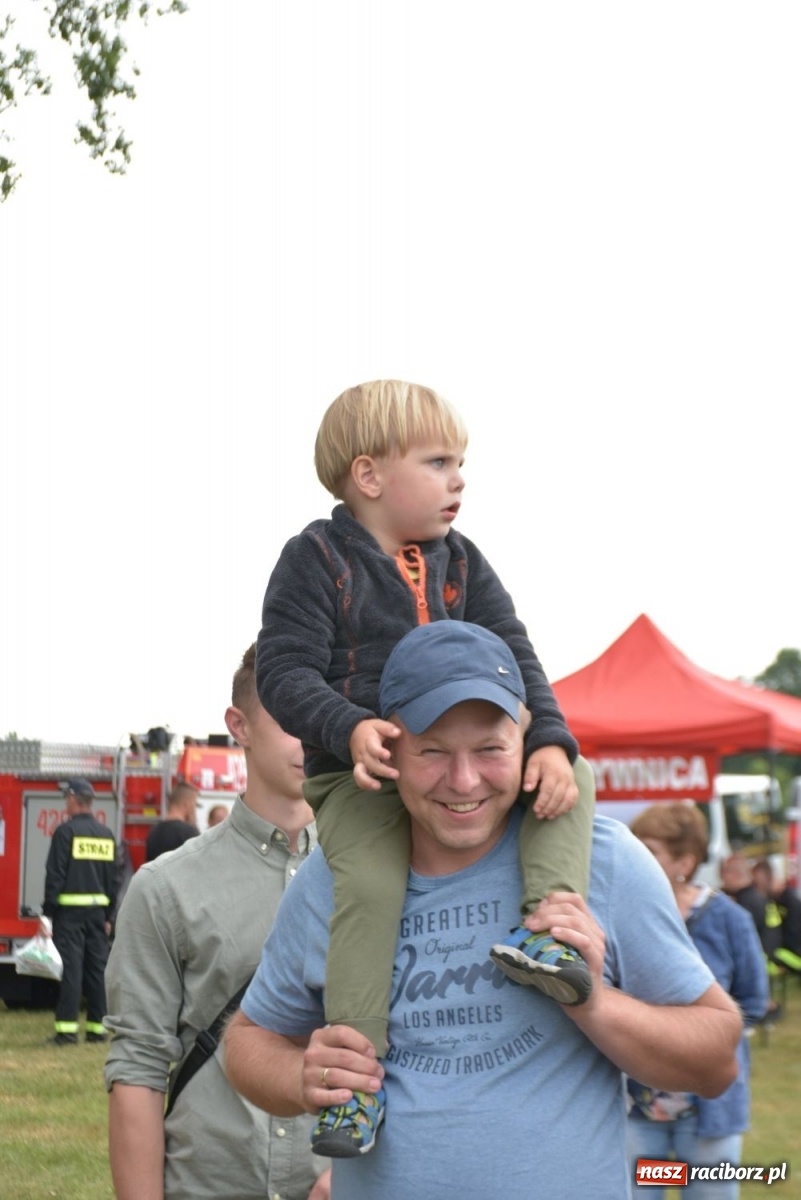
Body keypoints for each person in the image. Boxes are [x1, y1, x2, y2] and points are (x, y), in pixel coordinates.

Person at [224, 621, 742, 1200]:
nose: (464, 780)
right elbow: (247, 1041)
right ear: (390, 745)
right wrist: (302, 1076)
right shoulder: (335, 875)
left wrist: (595, 1003)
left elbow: (716, 1059)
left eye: (491, 749)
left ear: (527, 739)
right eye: (434, 752)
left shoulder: (605, 860)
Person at [256, 380, 592, 1154]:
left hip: (456, 765)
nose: (459, 478)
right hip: (359, 772)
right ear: (369, 476)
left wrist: (546, 739)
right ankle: (353, 1087)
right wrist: (348, 729)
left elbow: (517, 653)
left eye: (461, 461)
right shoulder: (314, 558)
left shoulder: (463, 562)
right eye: (439, 461)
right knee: (371, 886)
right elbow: (283, 671)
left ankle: (550, 938)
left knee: (571, 783)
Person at [105, 645, 331, 1200]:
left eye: (324, 713)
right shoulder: (164, 888)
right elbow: (138, 1069)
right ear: (240, 725)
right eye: (290, 714)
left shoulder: (385, 876)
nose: (313, 734)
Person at [627, 804, 769, 1200]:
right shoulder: (622, 914)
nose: (634, 855)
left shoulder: (729, 919)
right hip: (637, 1109)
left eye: (648, 849)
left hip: (709, 1108)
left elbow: (754, 1002)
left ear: (684, 862)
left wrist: (690, 1033)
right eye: (632, 845)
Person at [43, 777, 119, 1045]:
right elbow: (114, 880)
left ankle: (66, 1031)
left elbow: (55, 875)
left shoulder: (65, 833)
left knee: (72, 971)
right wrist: (110, 916)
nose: (65, 803)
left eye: (66, 798)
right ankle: (97, 1030)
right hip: (98, 915)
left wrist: (47, 914)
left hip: (70, 914)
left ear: (74, 800)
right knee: (97, 971)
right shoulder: (106, 835)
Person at [145, 781, 201, 861]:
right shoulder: (188, 831)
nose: (194, 809)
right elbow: (200, 861)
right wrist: (193, 823)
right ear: (186, 804)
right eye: (194, 804)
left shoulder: (154, 831)